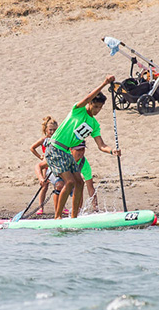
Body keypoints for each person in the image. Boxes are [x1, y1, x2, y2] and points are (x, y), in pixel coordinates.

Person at [47, 76, 120, 219]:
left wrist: (112, 151)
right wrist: (104, 83)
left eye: (100, 108)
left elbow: (101, 145)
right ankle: (57, 216)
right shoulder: (78, 110)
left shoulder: (94, 124)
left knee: (79, 182)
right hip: (55, 148)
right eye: (95, 106)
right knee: (69, 182)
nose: (97, 110)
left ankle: (74, 217)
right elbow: (87, 98)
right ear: (90, 104)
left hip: (66, 153)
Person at [30, 116, 58, 215]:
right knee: (44, 187)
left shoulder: (58, 139)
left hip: (54, 165)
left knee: (58, 185)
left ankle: (59, 207)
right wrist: (40, 157)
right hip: (45, 165)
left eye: (55, 130)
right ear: (46, 130)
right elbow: (32, 148)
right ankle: (40, 208)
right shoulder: (44, 139)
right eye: (50, 130)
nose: (53, 132)